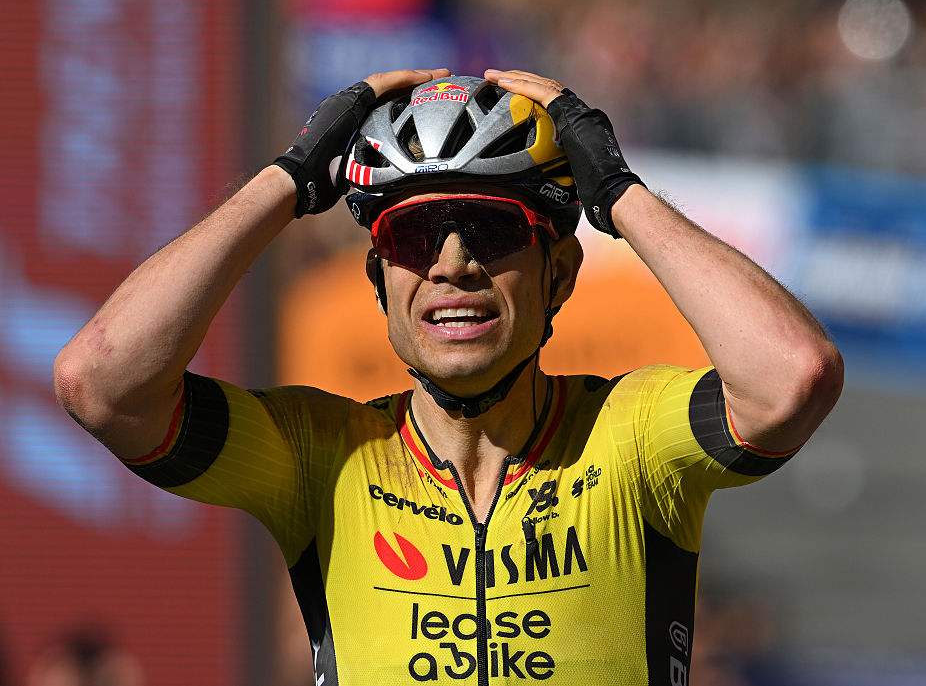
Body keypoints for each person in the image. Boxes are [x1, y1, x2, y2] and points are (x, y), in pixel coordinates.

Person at [53, 68, 843, 685]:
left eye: (494, 228)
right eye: (415, 232)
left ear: (559, 274)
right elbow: (101, 380)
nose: (453, 262)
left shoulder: (630, 436)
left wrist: (618, 193)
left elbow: (793, 375)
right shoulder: (321, 455)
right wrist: (288, 179)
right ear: (379, 282)